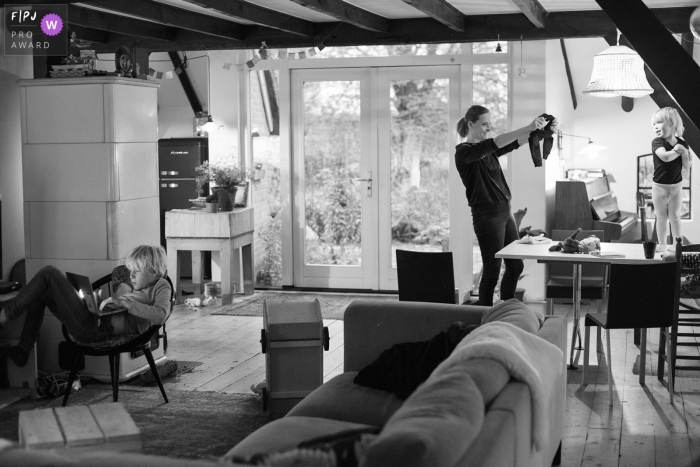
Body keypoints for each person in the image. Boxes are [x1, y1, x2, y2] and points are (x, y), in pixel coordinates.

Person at [0, 245, 171, 368]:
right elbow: (114, 304)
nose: (131, 275)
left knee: (49, 273)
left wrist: (127, 302)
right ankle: (24, 349)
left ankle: (4, 315)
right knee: (42, 293)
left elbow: (161, 315)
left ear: (154, 272)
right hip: (93, 319)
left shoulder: (161, 286)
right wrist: (94, 301)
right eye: (130, 270)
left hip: (94, 330)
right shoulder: (131, 285)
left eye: (137, 271)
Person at [455, 105, 556, 306]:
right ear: (470, 124)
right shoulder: (465, 153)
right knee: (492, 271)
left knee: (515, 265)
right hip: (486, 217)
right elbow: (497, 142)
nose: (488, 128)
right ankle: (483, 316)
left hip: (504, 213)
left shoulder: (487, 150)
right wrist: (527, 126)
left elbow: (514, 143)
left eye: (489, 125)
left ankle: (508, 310)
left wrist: (542, 129)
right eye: (484, 124)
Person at [650, 107, 691, 252]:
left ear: (672, 123)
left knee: (675, 216)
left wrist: (684, 151)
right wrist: (677, 150)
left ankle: (676, 244)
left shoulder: (682, 144)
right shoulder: (657, 142)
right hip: (659, 186)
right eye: (654, 124)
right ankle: (662, 243)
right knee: (661, 217)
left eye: (659, 122)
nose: (655, 126)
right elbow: (665, 157)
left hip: (676, 186)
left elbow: (687, 165)